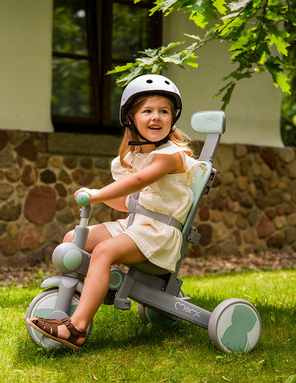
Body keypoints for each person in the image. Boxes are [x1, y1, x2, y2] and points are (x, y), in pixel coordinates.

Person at [26, 74, 202, 351]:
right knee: (74, 237)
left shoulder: (171, 155)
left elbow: (139, 182)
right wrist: (108, 197)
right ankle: (84, 296)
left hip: (159, 234)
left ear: (172, 118)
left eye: (164, 111)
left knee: (104, 252)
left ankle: (77, 329)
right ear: (131, 118)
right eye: (148, 111)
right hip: (135, 225)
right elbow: (127, 202)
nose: (156, 117)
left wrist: (97, 194)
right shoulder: (137, 156)